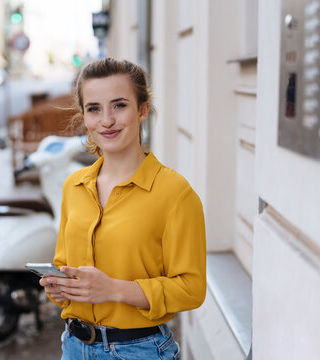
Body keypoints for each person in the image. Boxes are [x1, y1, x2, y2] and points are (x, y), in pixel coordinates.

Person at [39, 57, 207, 360]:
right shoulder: (73, 186)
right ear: (84, 116)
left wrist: (114, 290)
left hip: (139, 351)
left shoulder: (174, 193)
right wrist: (58, 288)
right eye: (94, 109)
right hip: (73, 347)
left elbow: (192, 289)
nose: (106, 120)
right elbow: (64, 262)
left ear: (142, 109)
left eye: (119, 105)